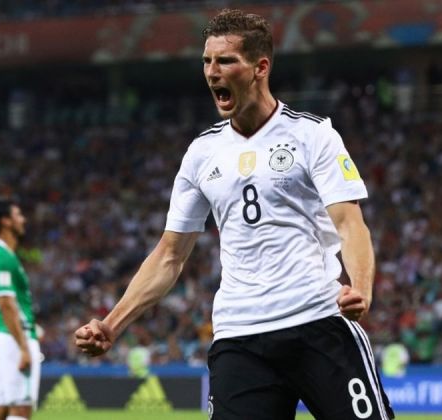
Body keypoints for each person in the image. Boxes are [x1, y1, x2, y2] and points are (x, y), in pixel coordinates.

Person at [75, 8, 393, 420]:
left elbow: (350, 224)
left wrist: (361, 289)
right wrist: (112, 325)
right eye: (207, 61)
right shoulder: (202, 153)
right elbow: (170, 255)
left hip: (317, 321)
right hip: (240, 337)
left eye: (226, 61)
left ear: (261, 67)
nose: (212, 72)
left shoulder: (312, 135)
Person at [0, 199, 41, 420]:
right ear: (5, 221)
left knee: (3, 408)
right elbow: (6, 303)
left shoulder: (2, 255)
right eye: (18, 215)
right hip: (14, 338)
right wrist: (23, 346)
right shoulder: (2, 258)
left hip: (6, 337)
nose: (23, 220)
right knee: (21, 408)